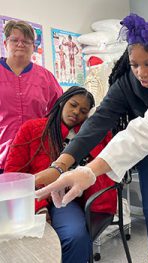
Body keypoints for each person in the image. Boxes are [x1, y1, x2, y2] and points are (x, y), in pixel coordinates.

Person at [36, 14, 148, 263]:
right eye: (134, 64)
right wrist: (60, 165)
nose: (141, 73)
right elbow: (96, 123)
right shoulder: (126, 85)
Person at [5, 86, 116, 263]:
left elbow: (106, 166)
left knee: (75, 237)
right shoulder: (32, 129)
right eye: (73, 105)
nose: (76, 112)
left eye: (83, 111)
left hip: (64, 201)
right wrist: (38, 206)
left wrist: (93, 130)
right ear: (62, 101)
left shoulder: (86, 136)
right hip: (28, 198)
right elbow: (12, 175)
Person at [0, 20, 63, 174]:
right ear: (5, 43)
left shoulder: (45, 77)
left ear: (33, 47)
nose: (20, 44)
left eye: (26, 41)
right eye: (14, 40)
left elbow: (60, 110)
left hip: (36, 154)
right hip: (2, 156)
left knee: (35, 197)